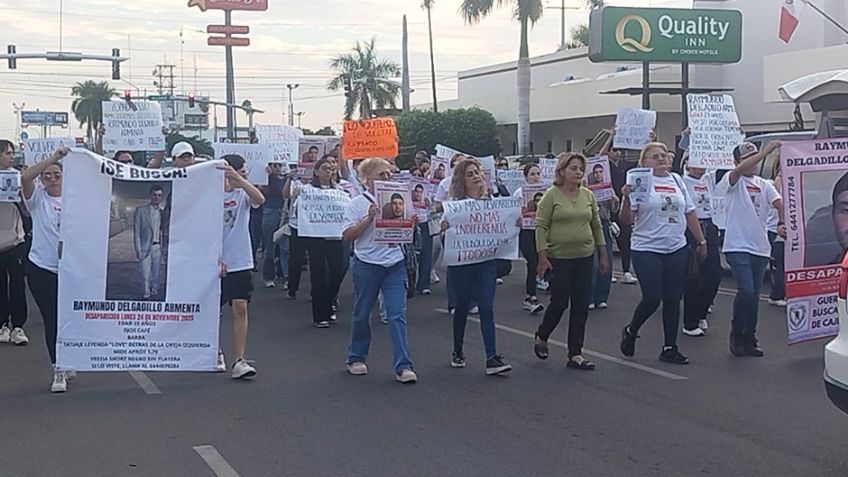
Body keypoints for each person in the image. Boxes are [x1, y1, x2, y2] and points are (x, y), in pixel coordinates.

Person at [618, 142, 707, 365]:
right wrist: (626, 199)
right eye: (655, 156)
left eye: (664, 156)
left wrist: (701, 240)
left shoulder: (676, 180)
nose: (661, 159)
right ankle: (631, 329)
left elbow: (689, 212)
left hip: (675, 247)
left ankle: (670, 347)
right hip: (647, 247)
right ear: (644, 161)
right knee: (652, 297)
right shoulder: (639, 181)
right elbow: (626, 220)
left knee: (672, 298)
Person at [342, 158, 417, 384]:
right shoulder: (356, 203)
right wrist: (369, 218)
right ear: (367, 180)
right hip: (367, 264)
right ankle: (355, 357)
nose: (386, 179)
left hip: (394, 264)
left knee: (397, 314)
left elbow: (407, 230)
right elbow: (347, 235)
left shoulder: (400, 200)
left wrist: (410, 222)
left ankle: (403, 365)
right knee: (362, 312)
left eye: (388, 175)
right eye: (381, 175)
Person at [533, 153, 607, 370]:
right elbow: (540, 226)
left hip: (584, 256)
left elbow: (596, 224)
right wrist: (542, 256)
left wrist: (602, 253)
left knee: (581, 305)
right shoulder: (551, 196)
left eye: (580, 169)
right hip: (559, 258)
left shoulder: (587, 195)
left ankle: (575, 353)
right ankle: (542, 335)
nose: (578, 172)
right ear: (562, 171)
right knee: (560, 302)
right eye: (573, 168)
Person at [442, 158, 512, 375]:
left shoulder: (491, 202)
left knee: (486, 307)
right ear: (462, 180)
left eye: (477, 172)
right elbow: (444, 235)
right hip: (462, 263)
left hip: (485, 262)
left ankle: (492, 358)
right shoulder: (454, 205)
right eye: (470, 173)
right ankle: (457, 350)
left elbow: (503, 227)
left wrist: (513, 224)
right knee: (462, 306)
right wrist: (445, 228)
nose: (475, 176)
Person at [718, 141, 784, 357]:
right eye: (747, 158)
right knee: (745, 290)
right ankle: (736, 333)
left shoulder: (764, 184)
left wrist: (783, 222)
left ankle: (750, 336)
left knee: (754, 295)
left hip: (759, 246)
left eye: (755, 157)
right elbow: (737, 172)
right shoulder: (731, 180)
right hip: (737, 244)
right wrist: (765, 152)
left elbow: (779, 202)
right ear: (737, 161)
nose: (753, 162)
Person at [22, 146, 68, 392]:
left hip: (71, 271)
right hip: (42, 269)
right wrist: (54, 159)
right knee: (52, 319)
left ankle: (69, 359)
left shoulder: (75, 199)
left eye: (57, 175)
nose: (52, 179)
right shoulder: (37, 200)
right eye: (47, 176)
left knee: (70, 320)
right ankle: (57, 368)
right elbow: (25, 178)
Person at [219, 154, 265, 378]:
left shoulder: (243, 193)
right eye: (242, 169)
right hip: (214, 262)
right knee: (211, 311)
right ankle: (215, 351)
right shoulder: (209, 195)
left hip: (240, 259)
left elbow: (260, 200)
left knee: (240, 306)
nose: (245, 172)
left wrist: (240, 181)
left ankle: (239, 359)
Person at [301, 156, 346, 328]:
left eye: (331, 169)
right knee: (318, 275)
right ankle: (320, 315)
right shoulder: (307, 189)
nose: (329, 171)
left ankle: (328, 303)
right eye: (325, 168)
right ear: (316, 171)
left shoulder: (339, 190)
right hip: (316, 238)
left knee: (338, 271)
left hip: (335, 236)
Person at [681, 156, 722, 337]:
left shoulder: (709, 179)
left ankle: (701, 311)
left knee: (714, 275)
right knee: (693, 276)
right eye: (696, 163)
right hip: (690, 227)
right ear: (687, 165)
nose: (701, 167)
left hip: (709, 226)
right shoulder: (681, 181)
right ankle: (690, 321)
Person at [0, 140, 29, 346]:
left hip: (15, 242)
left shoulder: (17, 177)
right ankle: (2, 325)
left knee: (17, 285)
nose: (11, 156)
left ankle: (18, 326)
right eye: (8, 153)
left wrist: (20, 197)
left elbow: (28, 212)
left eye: (12, 152)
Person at [514, 163, 545, 315]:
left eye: (538, 173)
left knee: (542, 262)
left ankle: (544, 285)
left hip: (540, 232)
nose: (536, 177)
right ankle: (530, 297)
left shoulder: (546, 192)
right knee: (532, 263)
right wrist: (519, 218)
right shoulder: (520, 192)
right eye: (532, 174)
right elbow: (514, 212)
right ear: (525, 176)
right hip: (526, 232)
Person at [133, 185, 165, 300]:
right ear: (150, 196)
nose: (157, 197)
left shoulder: (162, 213)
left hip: (158, 247)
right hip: (145, 246)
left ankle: (155, 290)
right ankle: (146, 293)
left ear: (162, 197)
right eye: (154, 195)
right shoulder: (140, 211)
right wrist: (138, 249)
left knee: (156, 273)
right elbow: (136, 232)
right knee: (146, 273)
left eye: (159, 195)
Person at [260, 163, 286, 289]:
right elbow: (270, 191)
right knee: (270, 246)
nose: (277, 168)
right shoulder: (266, 179)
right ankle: (269, 277)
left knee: (284, 247)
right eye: (274, 165)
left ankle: (283, 274)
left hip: (284, 212)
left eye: (279, 165)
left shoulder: (286, 179)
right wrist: (268, 175)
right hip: (270, 212)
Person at [767, 158, 786, 307]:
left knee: (787, 264)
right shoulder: (770, 184)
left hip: (789, 231)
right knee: (778, 263)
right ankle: (776, 295)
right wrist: (780, 176)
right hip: (773, 229)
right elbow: (779, 196)